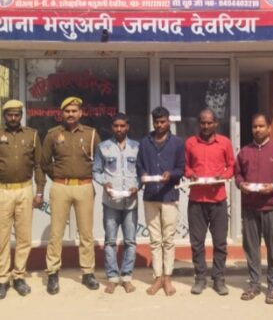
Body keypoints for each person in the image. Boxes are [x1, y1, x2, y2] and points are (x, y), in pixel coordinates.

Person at [0, 99, 46, 300]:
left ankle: (19, 276)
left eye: (16, 114)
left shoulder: (32, 135)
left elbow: (39, 165)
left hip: (25, 190)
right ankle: (2, 279)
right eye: (9, 114)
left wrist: (40, 191)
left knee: (24, 237)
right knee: (2, 238)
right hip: (1, 191)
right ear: (4, 116)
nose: (13, 118)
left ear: (21, 115)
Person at [42, 96, 101, 293]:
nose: (70, 114)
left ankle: (88, 272)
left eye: (74, 111)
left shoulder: (91, 134)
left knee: (86, 233)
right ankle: (52, 273)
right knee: (56, 233)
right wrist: (58, 176)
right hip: (61, 187)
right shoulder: (53, 135)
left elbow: (100, 160)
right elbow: (44, 162)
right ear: (62, 113)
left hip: (84, 186)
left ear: (80, 113)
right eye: (67, 111)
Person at [235, 113, 273, 304]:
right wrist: (241, 184)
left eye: (261, 126)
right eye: (254, 126)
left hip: (271, 206)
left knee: (272, 247)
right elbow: (238, 175)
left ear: (269, 128)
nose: (257, 130)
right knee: (251, 247)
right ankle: (254, 284)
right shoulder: (244, 152)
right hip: (250, 206)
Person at [184, 108, 235, 295]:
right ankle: (200, 278)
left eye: (209, 123)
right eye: (203, 123)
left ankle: (219, 279)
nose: (206, 126)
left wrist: (223, 176)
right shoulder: (190, 143)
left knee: (220, 242)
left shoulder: (225, 142)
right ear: (199, 124)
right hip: (197, 200)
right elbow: (185, 166)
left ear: (215, 123)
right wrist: (191, 174)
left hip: (218, 199)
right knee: (197, 243)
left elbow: (232, 166)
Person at [136, 106, 185, 296]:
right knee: (155, 240)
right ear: (153, 122)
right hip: (150, 196)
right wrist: (143, 174)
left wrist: (170, 174)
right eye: (156, 122)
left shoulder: (177, 143)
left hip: (169, 195)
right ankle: (157, 277)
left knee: (168, 239)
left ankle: (168, 278)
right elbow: (139, 165)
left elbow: (181, 168)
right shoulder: (144, 143)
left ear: (169, 121)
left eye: (163, 121)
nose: (159, 125)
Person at [93, 113, 140, 294]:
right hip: (111, 202)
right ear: (112, 127)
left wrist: (138, 186)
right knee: (110, 241)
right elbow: (96, 170)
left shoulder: (137, 147)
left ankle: (127, 277)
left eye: (122, 126)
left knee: (130, 241)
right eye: (116, 126)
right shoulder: (103, 147)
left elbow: (141, 172)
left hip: (130, 203)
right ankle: (112, 277)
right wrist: (104, 183)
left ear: (127, 127)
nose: (119, 129)